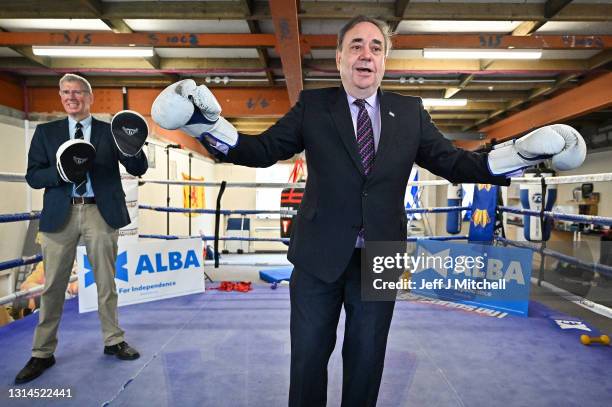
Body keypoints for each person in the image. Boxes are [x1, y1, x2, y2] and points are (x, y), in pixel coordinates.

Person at [152, 16, 585, 407]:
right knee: (307, 359)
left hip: (382, 254)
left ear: (384, 61)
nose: (366, 53)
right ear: (340, 57)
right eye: (356, 45)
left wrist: (518, 154)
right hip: (318, 253)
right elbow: (260, 150)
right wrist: (204, 124)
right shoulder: (315, 106)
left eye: (376, 47)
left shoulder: (410, 112)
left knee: (367, 358)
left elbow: (456, 164)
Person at [15, 74, 148, 384]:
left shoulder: (109, 132)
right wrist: (62, 173)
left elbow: (137, 168)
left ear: (90, 98)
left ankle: (113, 340)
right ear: (61, 96)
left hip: (100, 212)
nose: (70, 97)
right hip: (61, 214)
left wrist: (133, 146)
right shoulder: (46, 133)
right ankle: (42, 352)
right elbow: (34, 176)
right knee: (52, 286)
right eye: (65, 92)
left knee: (106, 281)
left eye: (77, 92)